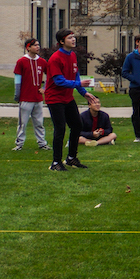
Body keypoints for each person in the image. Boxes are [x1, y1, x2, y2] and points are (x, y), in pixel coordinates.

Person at [45, 29, 90, 172]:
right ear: (62, 42)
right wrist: (79, 85)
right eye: (70, 37)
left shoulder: (72, 55)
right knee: (60, 129)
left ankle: (71, 158)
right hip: (55, 98)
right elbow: (59, 81)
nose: (74, 39)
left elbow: (76, 77)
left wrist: (84, 93)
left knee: (77, 125)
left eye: (74, 37)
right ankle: (56, 162)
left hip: (67, 97)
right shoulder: (55, 58)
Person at [13, 37, 50, 151]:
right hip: (25, 98)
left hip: (37, 98)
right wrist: (17, 95)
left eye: (38, 45)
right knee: (23, 123)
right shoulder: (21, 62)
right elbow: (17, 79)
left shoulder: (42, 62)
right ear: (28, 48)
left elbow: (50, 75)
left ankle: (42, 143)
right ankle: (19, 144)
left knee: (39, 122)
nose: (37, 47)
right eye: (35, 45)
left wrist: (44, 88)